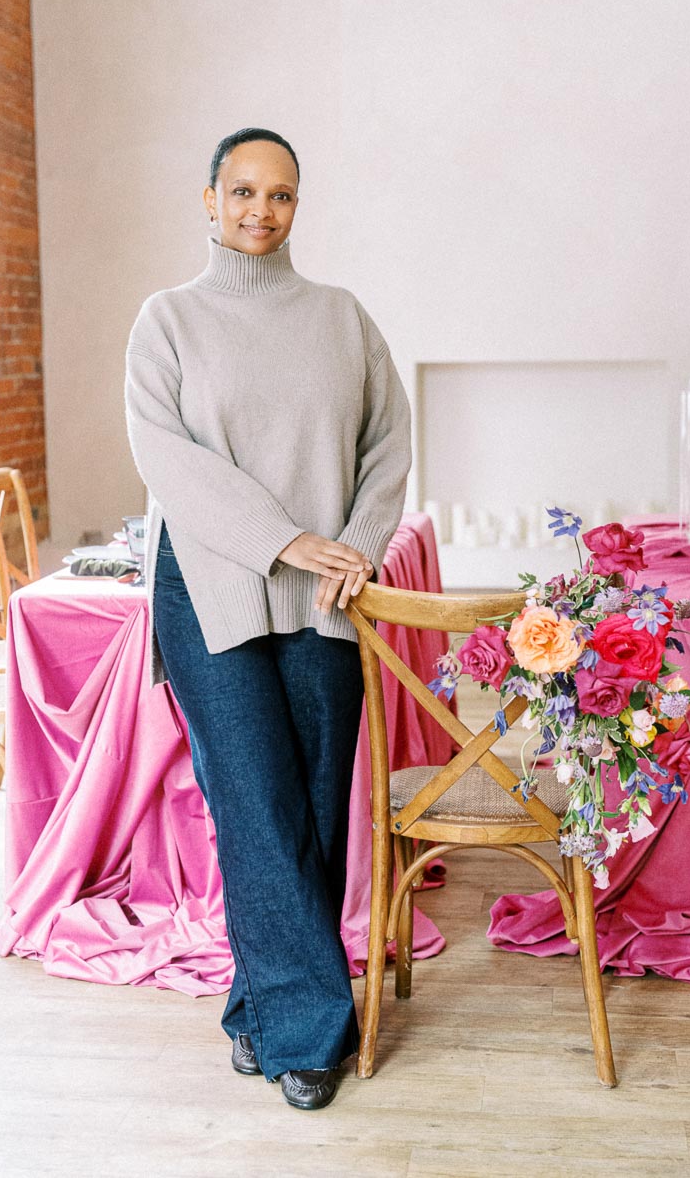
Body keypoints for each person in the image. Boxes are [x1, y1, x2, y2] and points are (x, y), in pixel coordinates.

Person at [124, 127, 411, 1110]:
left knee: (315, 808)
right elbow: (169, 460)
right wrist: (285, 542)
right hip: (208, 589)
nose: (261, 211)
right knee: (256, 804)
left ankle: (260, 1004)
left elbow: (388, 445)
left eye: (280, 195)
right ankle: (308, 1036)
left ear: (298, 206)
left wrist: (360, 543)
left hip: (328, 594)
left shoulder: (342, 318)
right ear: (208, 200)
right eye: (242, 192)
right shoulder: (167, 320)